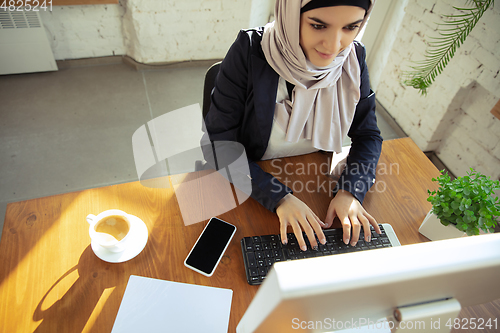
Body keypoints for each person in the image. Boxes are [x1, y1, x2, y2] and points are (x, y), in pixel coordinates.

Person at [203, 0, 382, 252]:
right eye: (318, 26)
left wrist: (351, 191)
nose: (334, 45)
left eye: (351, 27)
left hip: (313, 177)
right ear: (290, 14)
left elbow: (368, 135)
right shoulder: (250, 49)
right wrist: (279, 197)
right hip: (255, 177)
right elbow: (217, 145)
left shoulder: (353, 57)